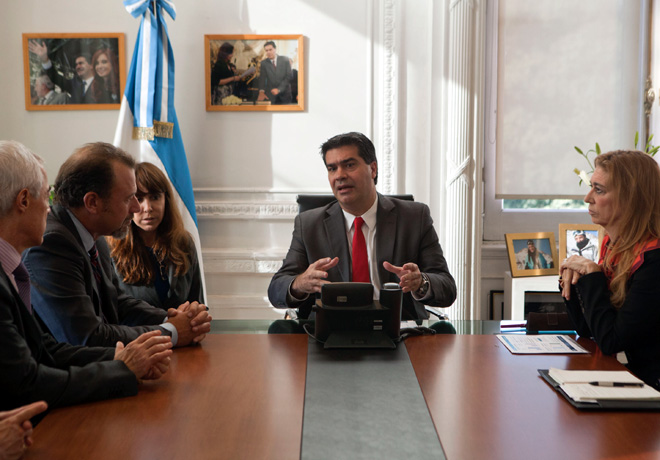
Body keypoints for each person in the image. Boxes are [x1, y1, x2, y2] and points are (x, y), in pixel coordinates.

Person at [0, 140, 172, 414]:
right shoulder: (50, 245)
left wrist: (124, 357)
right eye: (46, 196)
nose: (50, 207)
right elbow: (28, 383)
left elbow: (45, 350)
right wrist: (124, 367)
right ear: (23, 201)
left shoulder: (13, 268)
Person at [23, 142, 211, 348]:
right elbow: (86, 338)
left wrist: (173, 318)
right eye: (129, 198)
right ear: (92, 202)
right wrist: (171, 332)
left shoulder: (96, 238)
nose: (137, 207)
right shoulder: (51, 245)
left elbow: (115, 303)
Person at [268, 132, 456, 328]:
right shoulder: (309, 224)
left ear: (373, 169)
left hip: (400, 331)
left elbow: (447, 288)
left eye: (349, 165)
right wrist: (299, 283)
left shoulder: (414, 217)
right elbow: (276, 289)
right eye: (332, 168)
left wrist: (420, 282)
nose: (339, 175)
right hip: (330, 331)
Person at [560, 150, 660, 389]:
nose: (588, 198)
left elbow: (611, 340)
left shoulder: (653, 258)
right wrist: (573, 278)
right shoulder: (613, 246)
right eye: (591, 187)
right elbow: (588, 329)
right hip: (633, 380)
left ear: (631, 198)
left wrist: (593, 276)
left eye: (599, 190)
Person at [108, 162, 203, 310]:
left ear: (166, 200)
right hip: (135, 326)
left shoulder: (184, 243)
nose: (148, 208)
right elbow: (109, 312)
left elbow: (197, 301)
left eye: (155, 197)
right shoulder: (110, 249)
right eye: (139, 199)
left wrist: (195, 313)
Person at [28, 40, 109, 104]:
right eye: (76, 64)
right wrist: (45, 59)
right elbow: (55, 77)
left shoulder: (104, 83)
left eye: (81, 63)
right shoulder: (74, 85)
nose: (77, 67)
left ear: (91, 65)